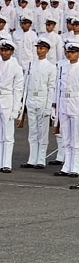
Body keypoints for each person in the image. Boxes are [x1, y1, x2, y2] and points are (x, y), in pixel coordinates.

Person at [0, 39, 24, 173]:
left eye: (7, 50)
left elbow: (18, 90)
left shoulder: (16, 68)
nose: (4, 53)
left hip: (8, 100)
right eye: (2, 50)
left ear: (12, 52)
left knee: (7, 135)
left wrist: (16, 109)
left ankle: (6, 163)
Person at [19, 37, 56, 169]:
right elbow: (25, 85)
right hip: (31, 100)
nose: (39, 50)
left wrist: (49, 107)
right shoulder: (30, 65)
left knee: (43, 132)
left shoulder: (51, 67)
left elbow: (51, 88)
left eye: (42, 48)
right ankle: (32, 159)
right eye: (38, 48)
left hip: (43, 100)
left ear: (47, 50)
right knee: (32, 131)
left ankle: (41, 159)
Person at [56, 42, 79, 181]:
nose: (69, 54)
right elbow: (57, 88)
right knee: (66, 137)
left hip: (76, 103)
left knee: (76, 138)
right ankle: (66, 166)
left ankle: (76, 167)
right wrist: (56, 108)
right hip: (64, 103)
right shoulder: (62, 67)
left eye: (73, 51)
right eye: (68, 52)